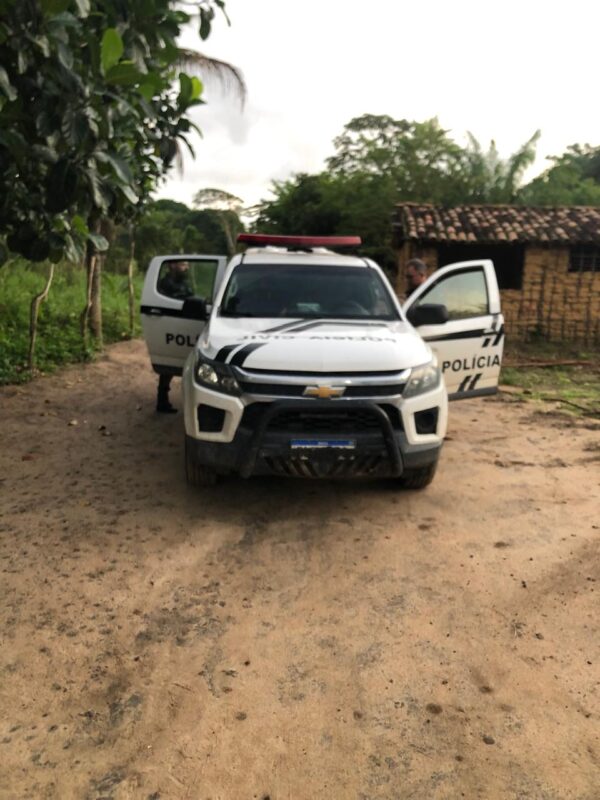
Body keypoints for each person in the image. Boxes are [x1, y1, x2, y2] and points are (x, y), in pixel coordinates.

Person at [156, 261, 194, 413]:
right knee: (168, 365)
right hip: (173, 324)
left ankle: (162, 400)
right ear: (172, 265)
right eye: (183, 265)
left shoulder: (181, 282)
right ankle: (162, 400)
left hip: (182, 323)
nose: (187, 268)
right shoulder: (166, 284)